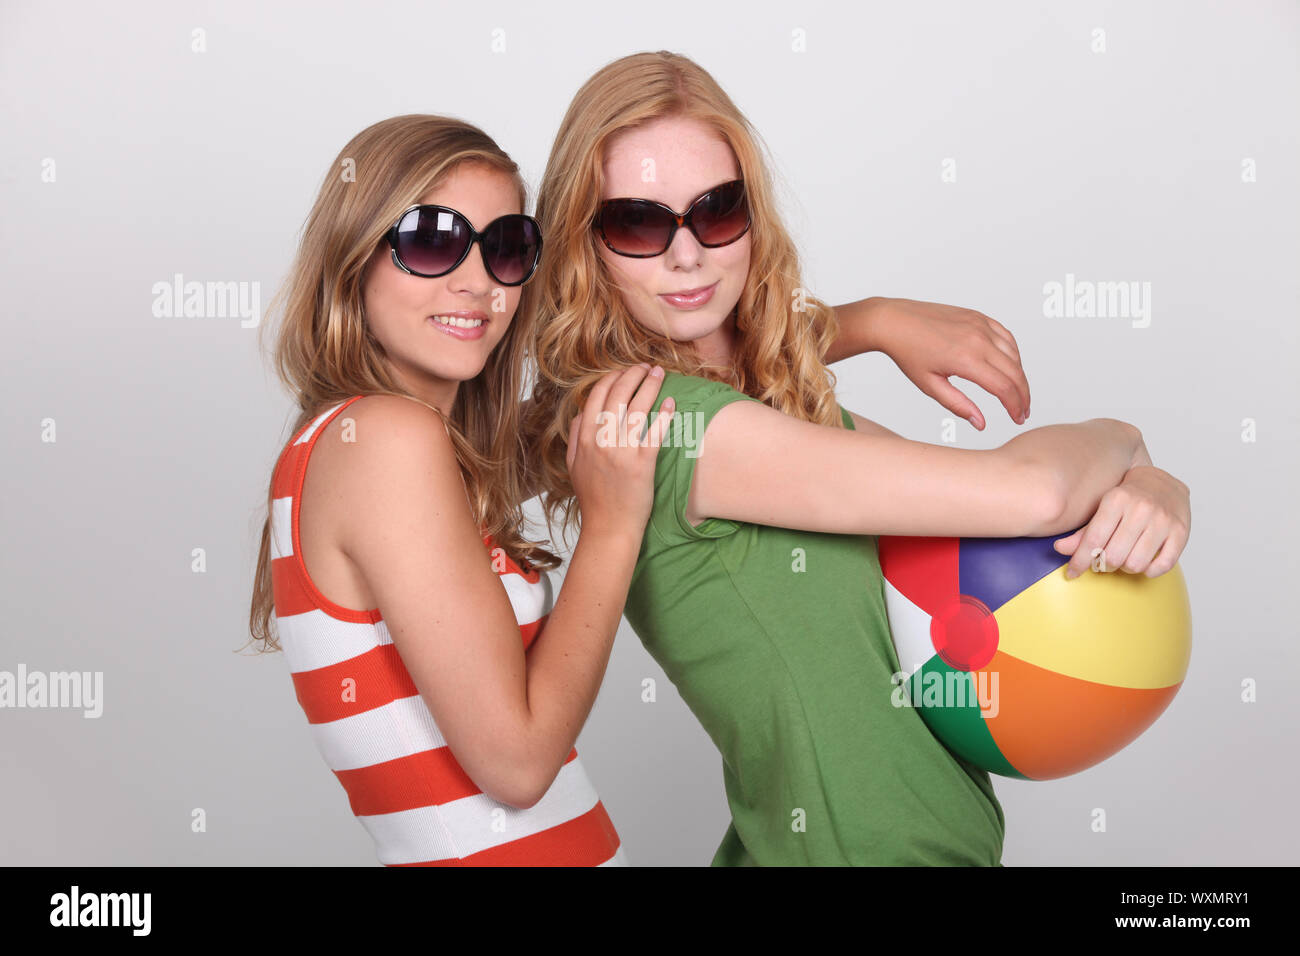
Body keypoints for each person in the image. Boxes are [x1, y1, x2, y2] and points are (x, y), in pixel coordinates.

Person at [523, 51, 1192, 865]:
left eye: (718, 209)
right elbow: (1035, 493)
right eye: (638, 222)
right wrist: (1128, 439)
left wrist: (868, 321)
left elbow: (975, 529)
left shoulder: (770, 411)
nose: (687, 253)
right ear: (584, 245)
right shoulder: (668, 428)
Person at [243, 114, 675, 866]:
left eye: (506, 247)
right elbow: (517, 763)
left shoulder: (376, 445)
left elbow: (657, 372)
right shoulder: (384, 442)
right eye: (433, 239)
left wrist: (868, 324)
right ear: (355, 255)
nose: (478, 282)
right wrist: (611, 530)